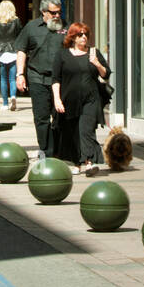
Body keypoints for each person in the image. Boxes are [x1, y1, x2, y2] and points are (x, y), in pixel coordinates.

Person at [52, 23, 111, 176]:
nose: (84, 37)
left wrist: (97, 63)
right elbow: (56, 79)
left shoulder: (94, 53)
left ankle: (89, 163)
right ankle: (76, 163)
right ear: (72, 37)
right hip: (68, 100)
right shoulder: (62, 55)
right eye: (80, 34)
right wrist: (57, 99)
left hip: (91, 99)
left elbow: (106, 74)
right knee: (72, 131)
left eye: (85, 34)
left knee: (87, 129)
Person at [16, 0, 65, 158]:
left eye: (59, 12)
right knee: (41, 118)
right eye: (53, 13)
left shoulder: (66, 27)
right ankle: (45, 150)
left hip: (59, 81)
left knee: (59, 117)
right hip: (37, 78)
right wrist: (20, 74)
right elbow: (21, 50)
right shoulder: (31, 27)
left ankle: (58, 150)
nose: (57, 16)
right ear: (44, 12)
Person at [0, 0, 21, 113]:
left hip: (1, 52)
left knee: (3, 79)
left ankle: (4, 103)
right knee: (12, 78)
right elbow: (20, 35)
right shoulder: (16, 21)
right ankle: (13, 96)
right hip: (14, 51)